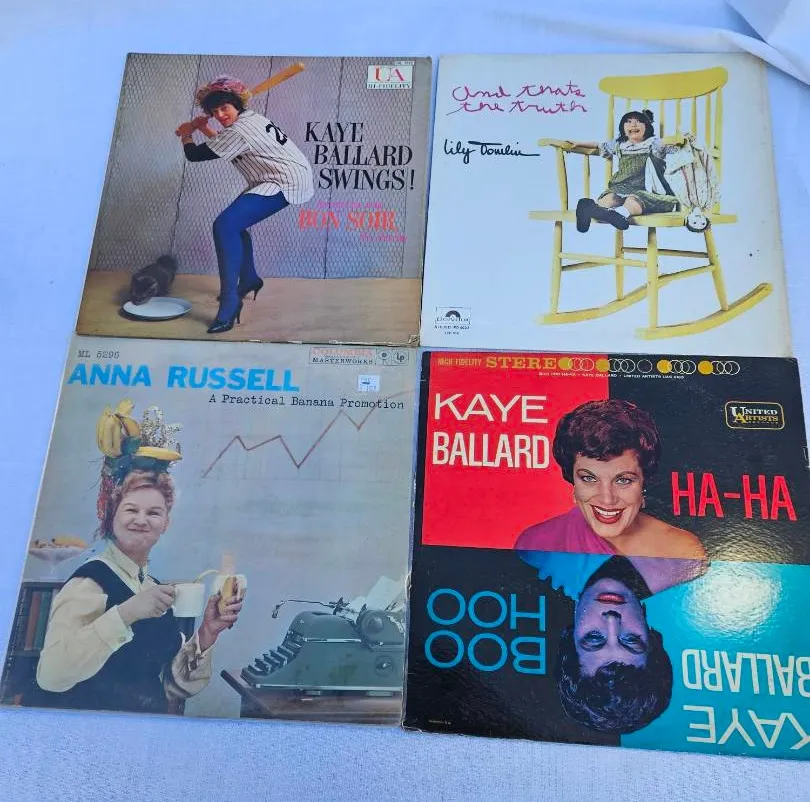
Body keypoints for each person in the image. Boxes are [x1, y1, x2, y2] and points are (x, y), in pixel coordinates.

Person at [33, 402, 245, 715]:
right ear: (112, 515)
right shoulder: (90, 582)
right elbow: (50, 676)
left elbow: (172, 686)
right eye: (131, 509)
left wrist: (208, 632)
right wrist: (126, 613)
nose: (141, 520)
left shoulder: (150, 585)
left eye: (154, 513)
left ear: (166, 523)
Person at [175, 76, 314, 334]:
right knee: (234, 226)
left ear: (236, 105)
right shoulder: (251, 119)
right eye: (215, 112)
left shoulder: (239, 130)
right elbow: (228, 146)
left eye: (225, 108)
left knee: (225, 226)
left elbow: (195, 155)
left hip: (286, 180)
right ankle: (249, 279)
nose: (220, 115)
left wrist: (186, 135)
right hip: (276, 175)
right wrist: (202, 129)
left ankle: (230, 302)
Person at [514, 399, 705, 559]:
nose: (607, 499)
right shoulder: (536, 543)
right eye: (589, 478)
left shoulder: (682, 551)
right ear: (573, 481)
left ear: (643, 482)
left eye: (623, 480)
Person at [567, 109, 684, 232]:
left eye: (638, 121)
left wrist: (682, 142)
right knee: (610, 199)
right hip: (622, 185)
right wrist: (579, 143)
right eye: (628, 122)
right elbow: (600, 145)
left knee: (633, 202)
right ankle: (592, 209)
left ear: (647, 127)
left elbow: (674, 148)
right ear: (623, 129)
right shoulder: (620, 144)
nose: (633, 124)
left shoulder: (654, 143)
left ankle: (614, 214)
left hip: (648, 190)